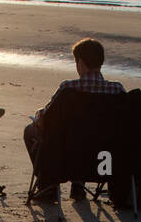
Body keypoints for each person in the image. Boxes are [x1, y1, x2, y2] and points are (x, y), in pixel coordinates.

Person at [24, 37, 125, 202]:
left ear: (80, 63)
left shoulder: (68, 89)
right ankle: (78, 185)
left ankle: (47, 186)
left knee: (30, 131)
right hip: (103, 161)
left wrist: (38, 116)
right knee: (89, 134)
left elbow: (47, 119)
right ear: (100, 63)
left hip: (67, 159)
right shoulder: (117, 90)